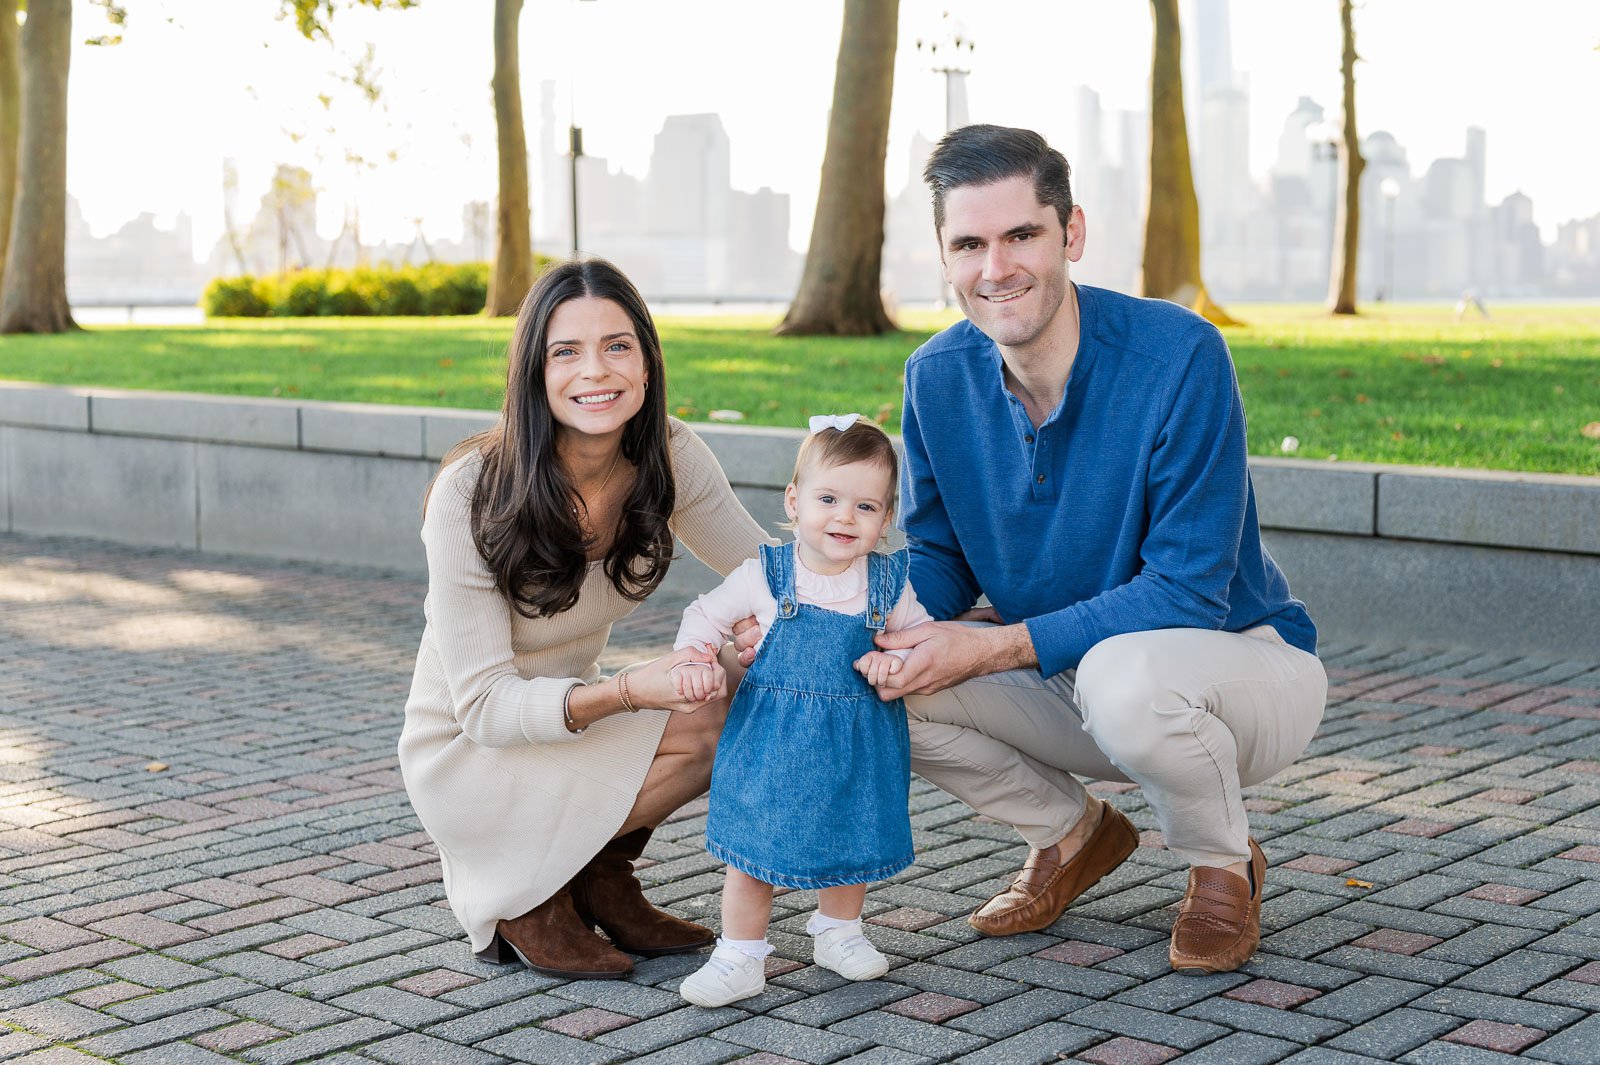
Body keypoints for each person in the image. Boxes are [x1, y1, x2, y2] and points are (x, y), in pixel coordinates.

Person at [870, 125, 1329, 975]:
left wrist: (996, 644)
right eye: (969, 243)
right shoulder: (934, 378)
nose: (995, 268)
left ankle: (1224, 864)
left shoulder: (1179, 354)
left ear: (1071, 234)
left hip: (1238, 669)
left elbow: (1188, 591)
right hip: (1067, 672)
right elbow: (940, 563)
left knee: (1126, 677)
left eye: (1021, 235)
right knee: (877, 675)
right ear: (943, 256)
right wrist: (847, 617)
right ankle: (1072, 834)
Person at [398, 258, 773, 979]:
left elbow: (769, 571)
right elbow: (481, 707)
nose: (594, 371)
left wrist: (810, 606)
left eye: (617, 345)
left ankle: (597, 874)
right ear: (533, 370)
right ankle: (526, 902)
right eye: (565, 351)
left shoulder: (668, 452)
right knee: (695, 693)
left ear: (646, 360)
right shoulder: (470, 490)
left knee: (732, 686)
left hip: (568, 724)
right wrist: (631, 690)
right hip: (469, 752)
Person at [667, 416, 933, 1006]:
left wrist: (897, 661)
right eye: (829, 499)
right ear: (794, 500)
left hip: (858, 741)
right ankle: (740, 952)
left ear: (886, 518)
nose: (845, 517)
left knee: (852, 828)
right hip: (772, 740)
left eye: (866, 506)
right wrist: (693, 655)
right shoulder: (765, 574)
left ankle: (838, 931)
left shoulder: (888, 584)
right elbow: (705, 616)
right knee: (755, 846)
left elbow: (918, 637)